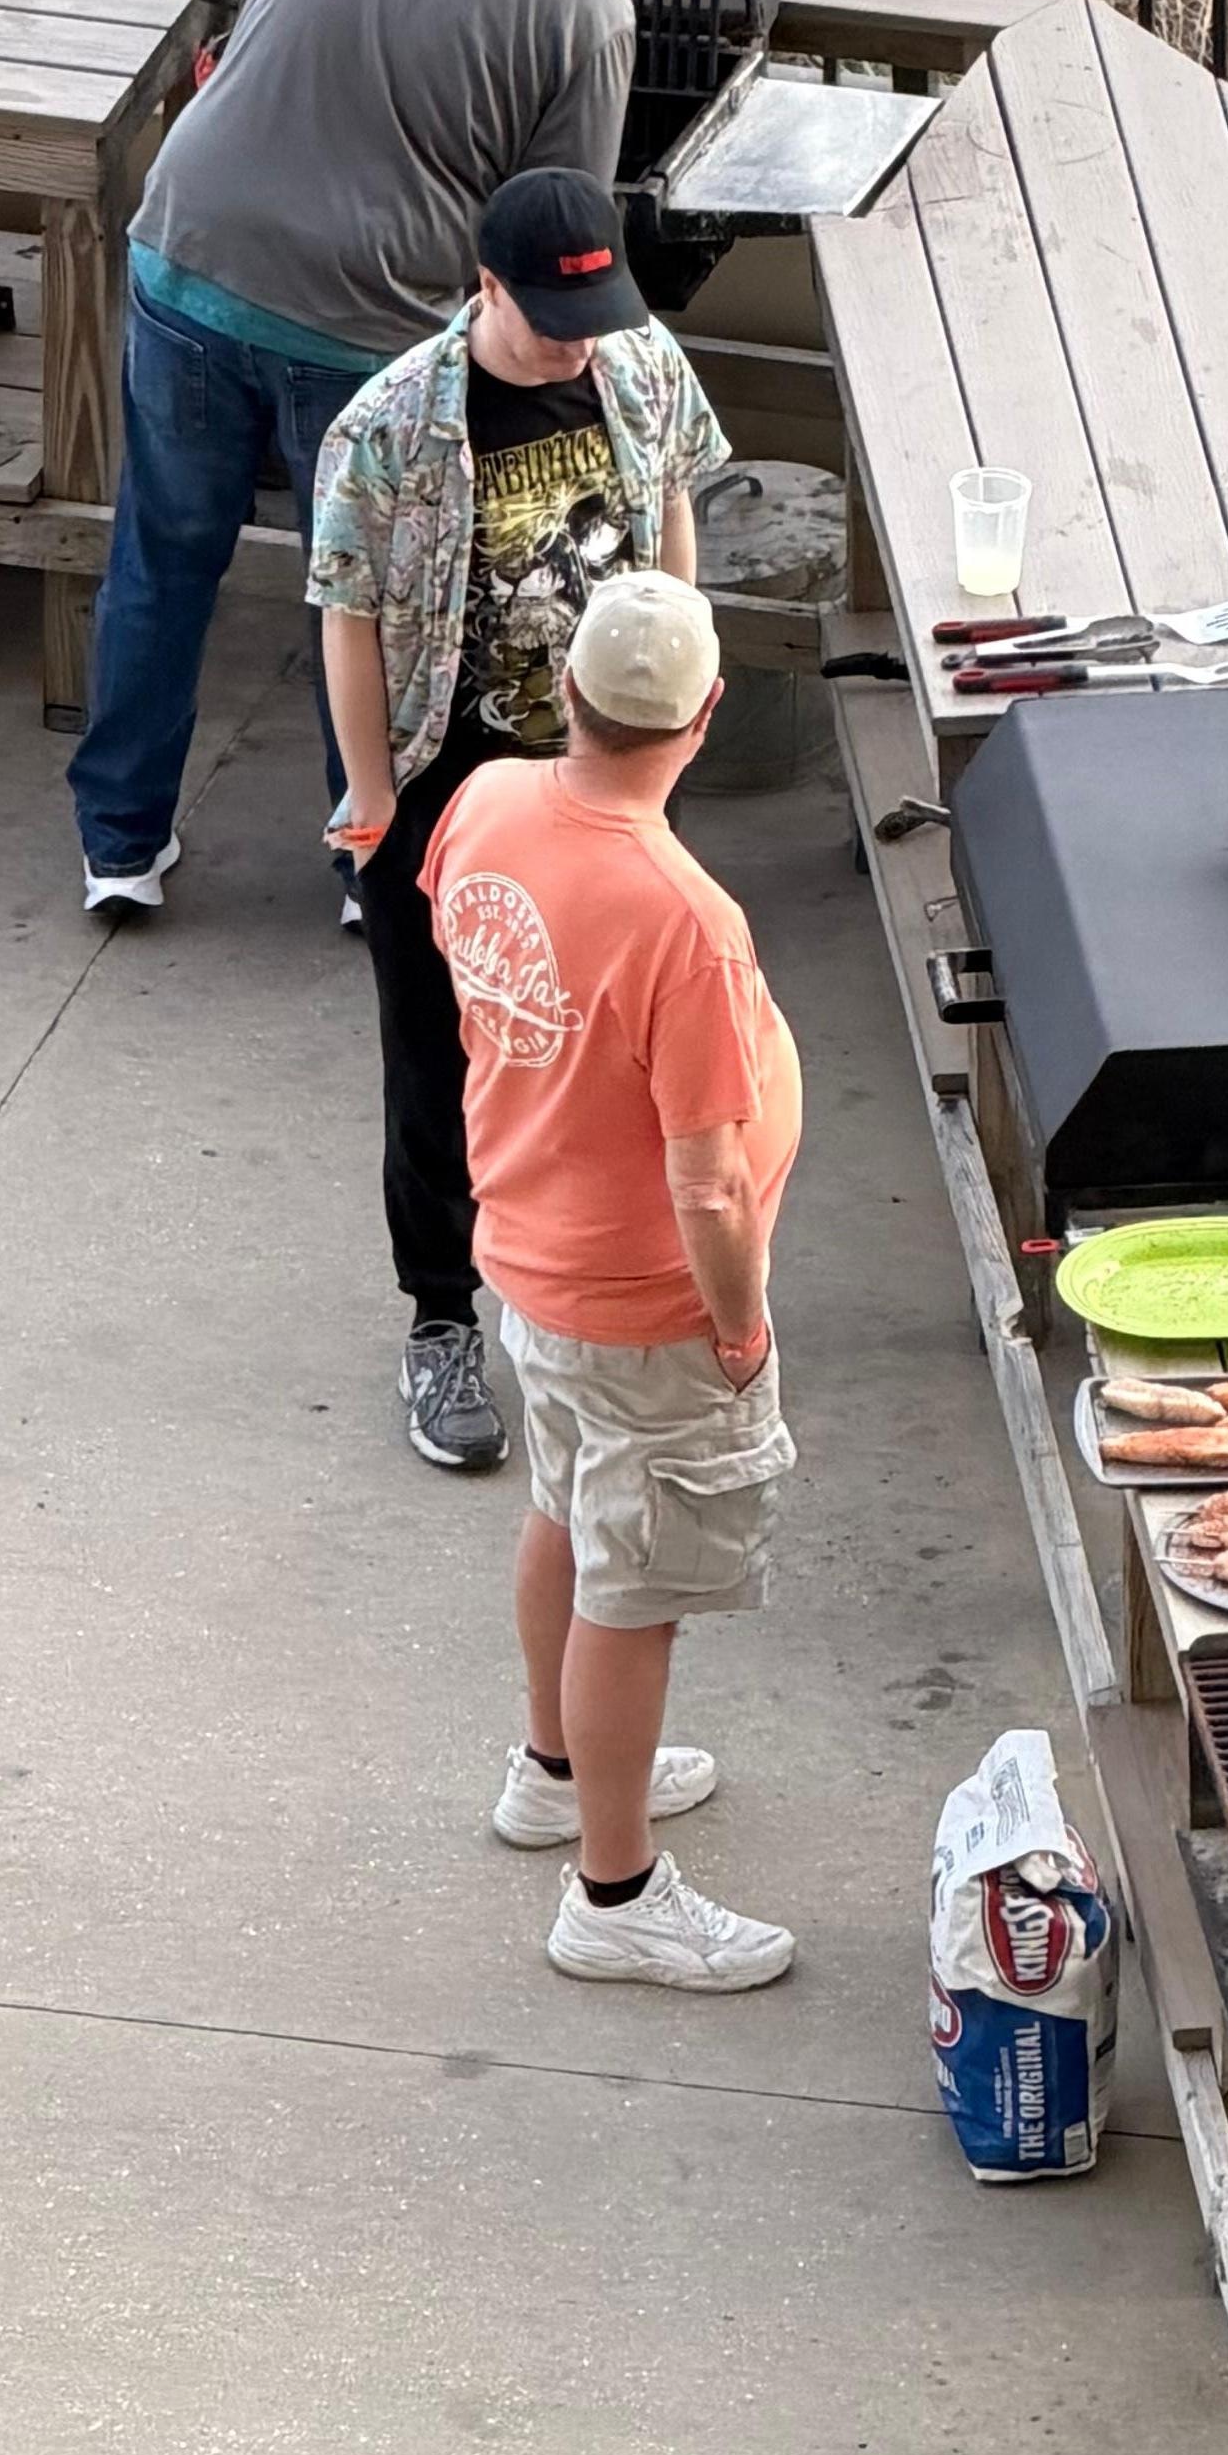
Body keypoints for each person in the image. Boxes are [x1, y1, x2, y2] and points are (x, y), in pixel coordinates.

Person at [67, 0, 689, 920]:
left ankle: (119, 849)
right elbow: (548, 226)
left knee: (161, 559)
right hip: (368, 331)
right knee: (366, 597)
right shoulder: (590, 1)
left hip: (188, 256)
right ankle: (373, 857)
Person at [309, 168, 730, 1479]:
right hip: (455, 773)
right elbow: (349, 611)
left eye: (590, 312)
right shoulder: (390, 425)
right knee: (436, 1056)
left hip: (597, 767)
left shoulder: (640, 363)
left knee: (606, 1052)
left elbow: (671, 503)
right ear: (483, 285)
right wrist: (375, 798)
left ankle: (609, 1301)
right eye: (549, 316)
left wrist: (672, 679)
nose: (574, 340)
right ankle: (442, 1318)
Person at [427, 570, 801, 1996]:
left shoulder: (490, 803)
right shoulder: (681, 918)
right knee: (633, 1586)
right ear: (704, 718)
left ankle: (556, 1765)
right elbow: (706, 1178)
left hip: (529, 1257)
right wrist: (742, 1322)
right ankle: (615, 1887)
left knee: (566, 1512)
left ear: (567, 695)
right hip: (644, 1305)